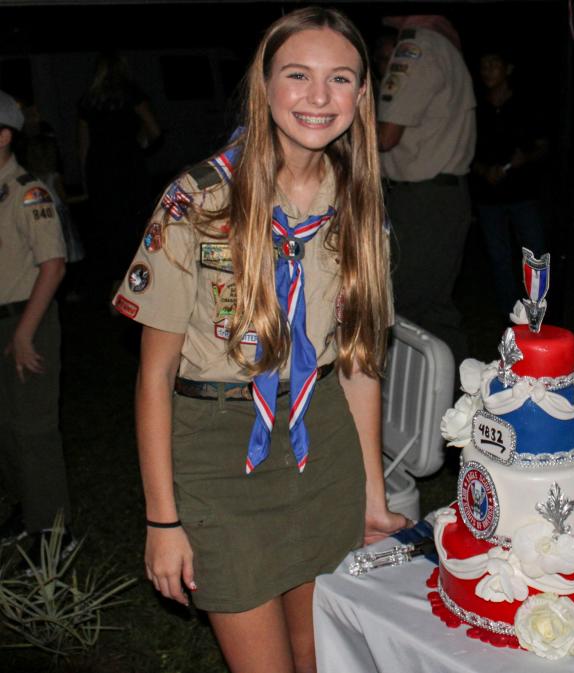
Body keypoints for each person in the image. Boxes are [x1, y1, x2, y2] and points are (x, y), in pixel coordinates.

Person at [110, 10, 407, 672]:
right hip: (220, 451)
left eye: (340, 80)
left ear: (361, 96)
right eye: (297, 76)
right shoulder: (199, 200)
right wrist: (162, 521)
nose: (318, 97)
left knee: (320, 655)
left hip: (322, 445)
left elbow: (359, 365)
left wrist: (371, 492)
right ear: (263, 85)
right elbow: (153, 375)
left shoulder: (359, 205)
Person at [377, 15, 476, 364]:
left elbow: (386, 135)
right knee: (424, 309)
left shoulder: (419, 46)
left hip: (424, 201)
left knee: (414, 308)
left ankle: (447, 406)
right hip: (431, 196)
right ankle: (449, 404)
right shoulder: (440, 43)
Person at [0, 89, 72, 560]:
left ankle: (54, 530)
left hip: (26, 318)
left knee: (33, 426)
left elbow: (54, 264)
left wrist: (25, 332)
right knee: (7, 427)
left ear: (4, 136)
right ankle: (29, 509)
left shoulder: (28, 192)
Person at [471, 47, 548, 317]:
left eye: (494, 63)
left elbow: (542, 146)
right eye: (484, 65)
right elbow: (467, 151)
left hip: (523, 194)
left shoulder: (525, 105)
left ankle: (538, 310)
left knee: (535, 255)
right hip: (488, 197)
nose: (488, 70)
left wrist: (523, 158)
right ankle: (511, 314)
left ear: (508, 69)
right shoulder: (475, 108)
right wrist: (484, 170)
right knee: (499, 258)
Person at [78, 51, 161, 288]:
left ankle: (117, 285)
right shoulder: (131, 95)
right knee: (135, 224)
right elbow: (154, 131)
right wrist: (141, 143)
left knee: (108, 226)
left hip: (101, 170)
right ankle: (140, 283)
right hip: (128, 167)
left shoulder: (88, 101)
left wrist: (86, 179)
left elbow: (83, 146)